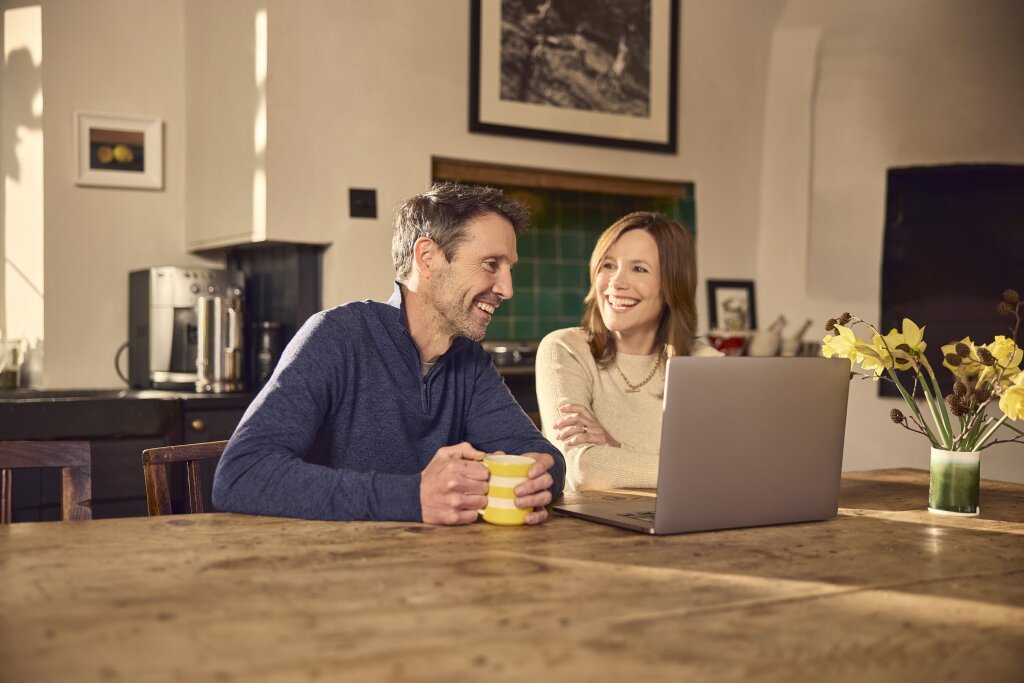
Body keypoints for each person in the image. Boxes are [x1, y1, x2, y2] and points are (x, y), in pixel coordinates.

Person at [213, 182, 565, 524]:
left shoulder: (469, 360)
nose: (507, 288)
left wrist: (539, 476)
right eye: (491, 264)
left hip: (429, 569)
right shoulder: (337, 336)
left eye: (510, 269)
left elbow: (540, 453)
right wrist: (414, 496)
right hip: (331, 570)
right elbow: (242, 474)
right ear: (427, 258)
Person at [535, 212, 720, 491]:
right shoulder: (565, 349)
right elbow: (581, 469)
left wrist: (616, 447)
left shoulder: (706, 364)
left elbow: (724, 469)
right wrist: (684, 471)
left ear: (673, 284)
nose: (616, 282)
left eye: (639, 269)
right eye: (608, 265)